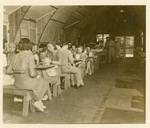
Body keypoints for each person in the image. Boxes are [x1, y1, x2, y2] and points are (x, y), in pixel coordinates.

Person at [7, 38, 49, 112]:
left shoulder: (14, 56)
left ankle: (38, 102)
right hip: (26, 83)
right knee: (44, 81)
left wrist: (18, 72)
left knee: (37, 83)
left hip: (17, 83)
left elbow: (8, 71)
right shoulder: (30, 56)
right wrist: (37, 74)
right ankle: (37, 100)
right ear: (29, 46)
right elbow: (32, 74)